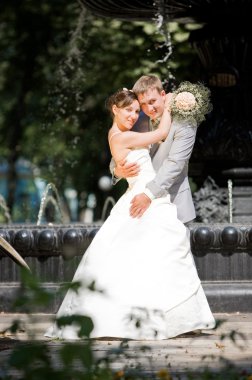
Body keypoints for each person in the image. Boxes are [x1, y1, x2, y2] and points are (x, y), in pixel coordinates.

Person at [45, 89, 215, 340]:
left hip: (157, 197)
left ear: (161, 94)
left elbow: (173, 163)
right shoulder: (125, 133)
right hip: (141, 198)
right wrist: (120, 169)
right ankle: (142, 318)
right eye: (131, 109)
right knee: (152, 253)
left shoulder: (142, 128)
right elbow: (156, 136)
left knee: (152, 256)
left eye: (139, 109)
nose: (136, 114)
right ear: (115, 109)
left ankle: (168, 316)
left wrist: (123, 168)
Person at [112, 74, 197, 224]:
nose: (148, 109)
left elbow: (175, 163)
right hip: (139, 208)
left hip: (174, 205)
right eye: (143, 104)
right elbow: (120, 149)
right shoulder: (138, 119)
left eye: (152, 101)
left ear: (163, 95)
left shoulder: (184, 120)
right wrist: (117, 171)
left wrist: (148, 195)